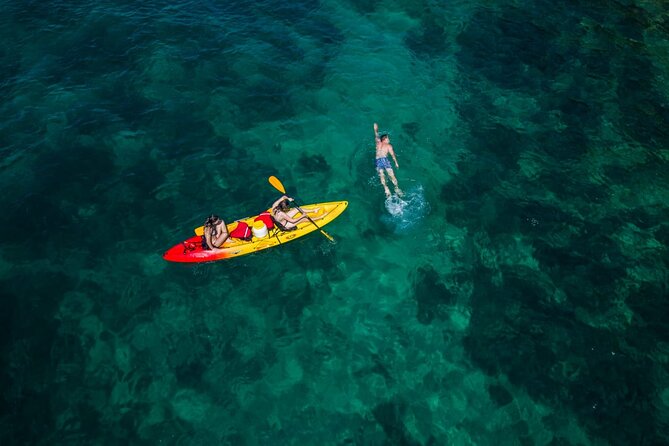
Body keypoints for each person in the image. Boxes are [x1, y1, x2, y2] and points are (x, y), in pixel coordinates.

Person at [374, 122, 403, 198]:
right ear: (385, 139)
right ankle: (396, 188)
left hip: (377, 160)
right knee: (391, 175)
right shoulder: (388, 145)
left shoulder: (377, 142)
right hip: (384, 160)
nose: (389, 139)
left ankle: (386, 189)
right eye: (388, 138)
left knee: (381, 175)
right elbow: (393, 155)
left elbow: (376, 134)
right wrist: (396, 163)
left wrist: (376, 128)